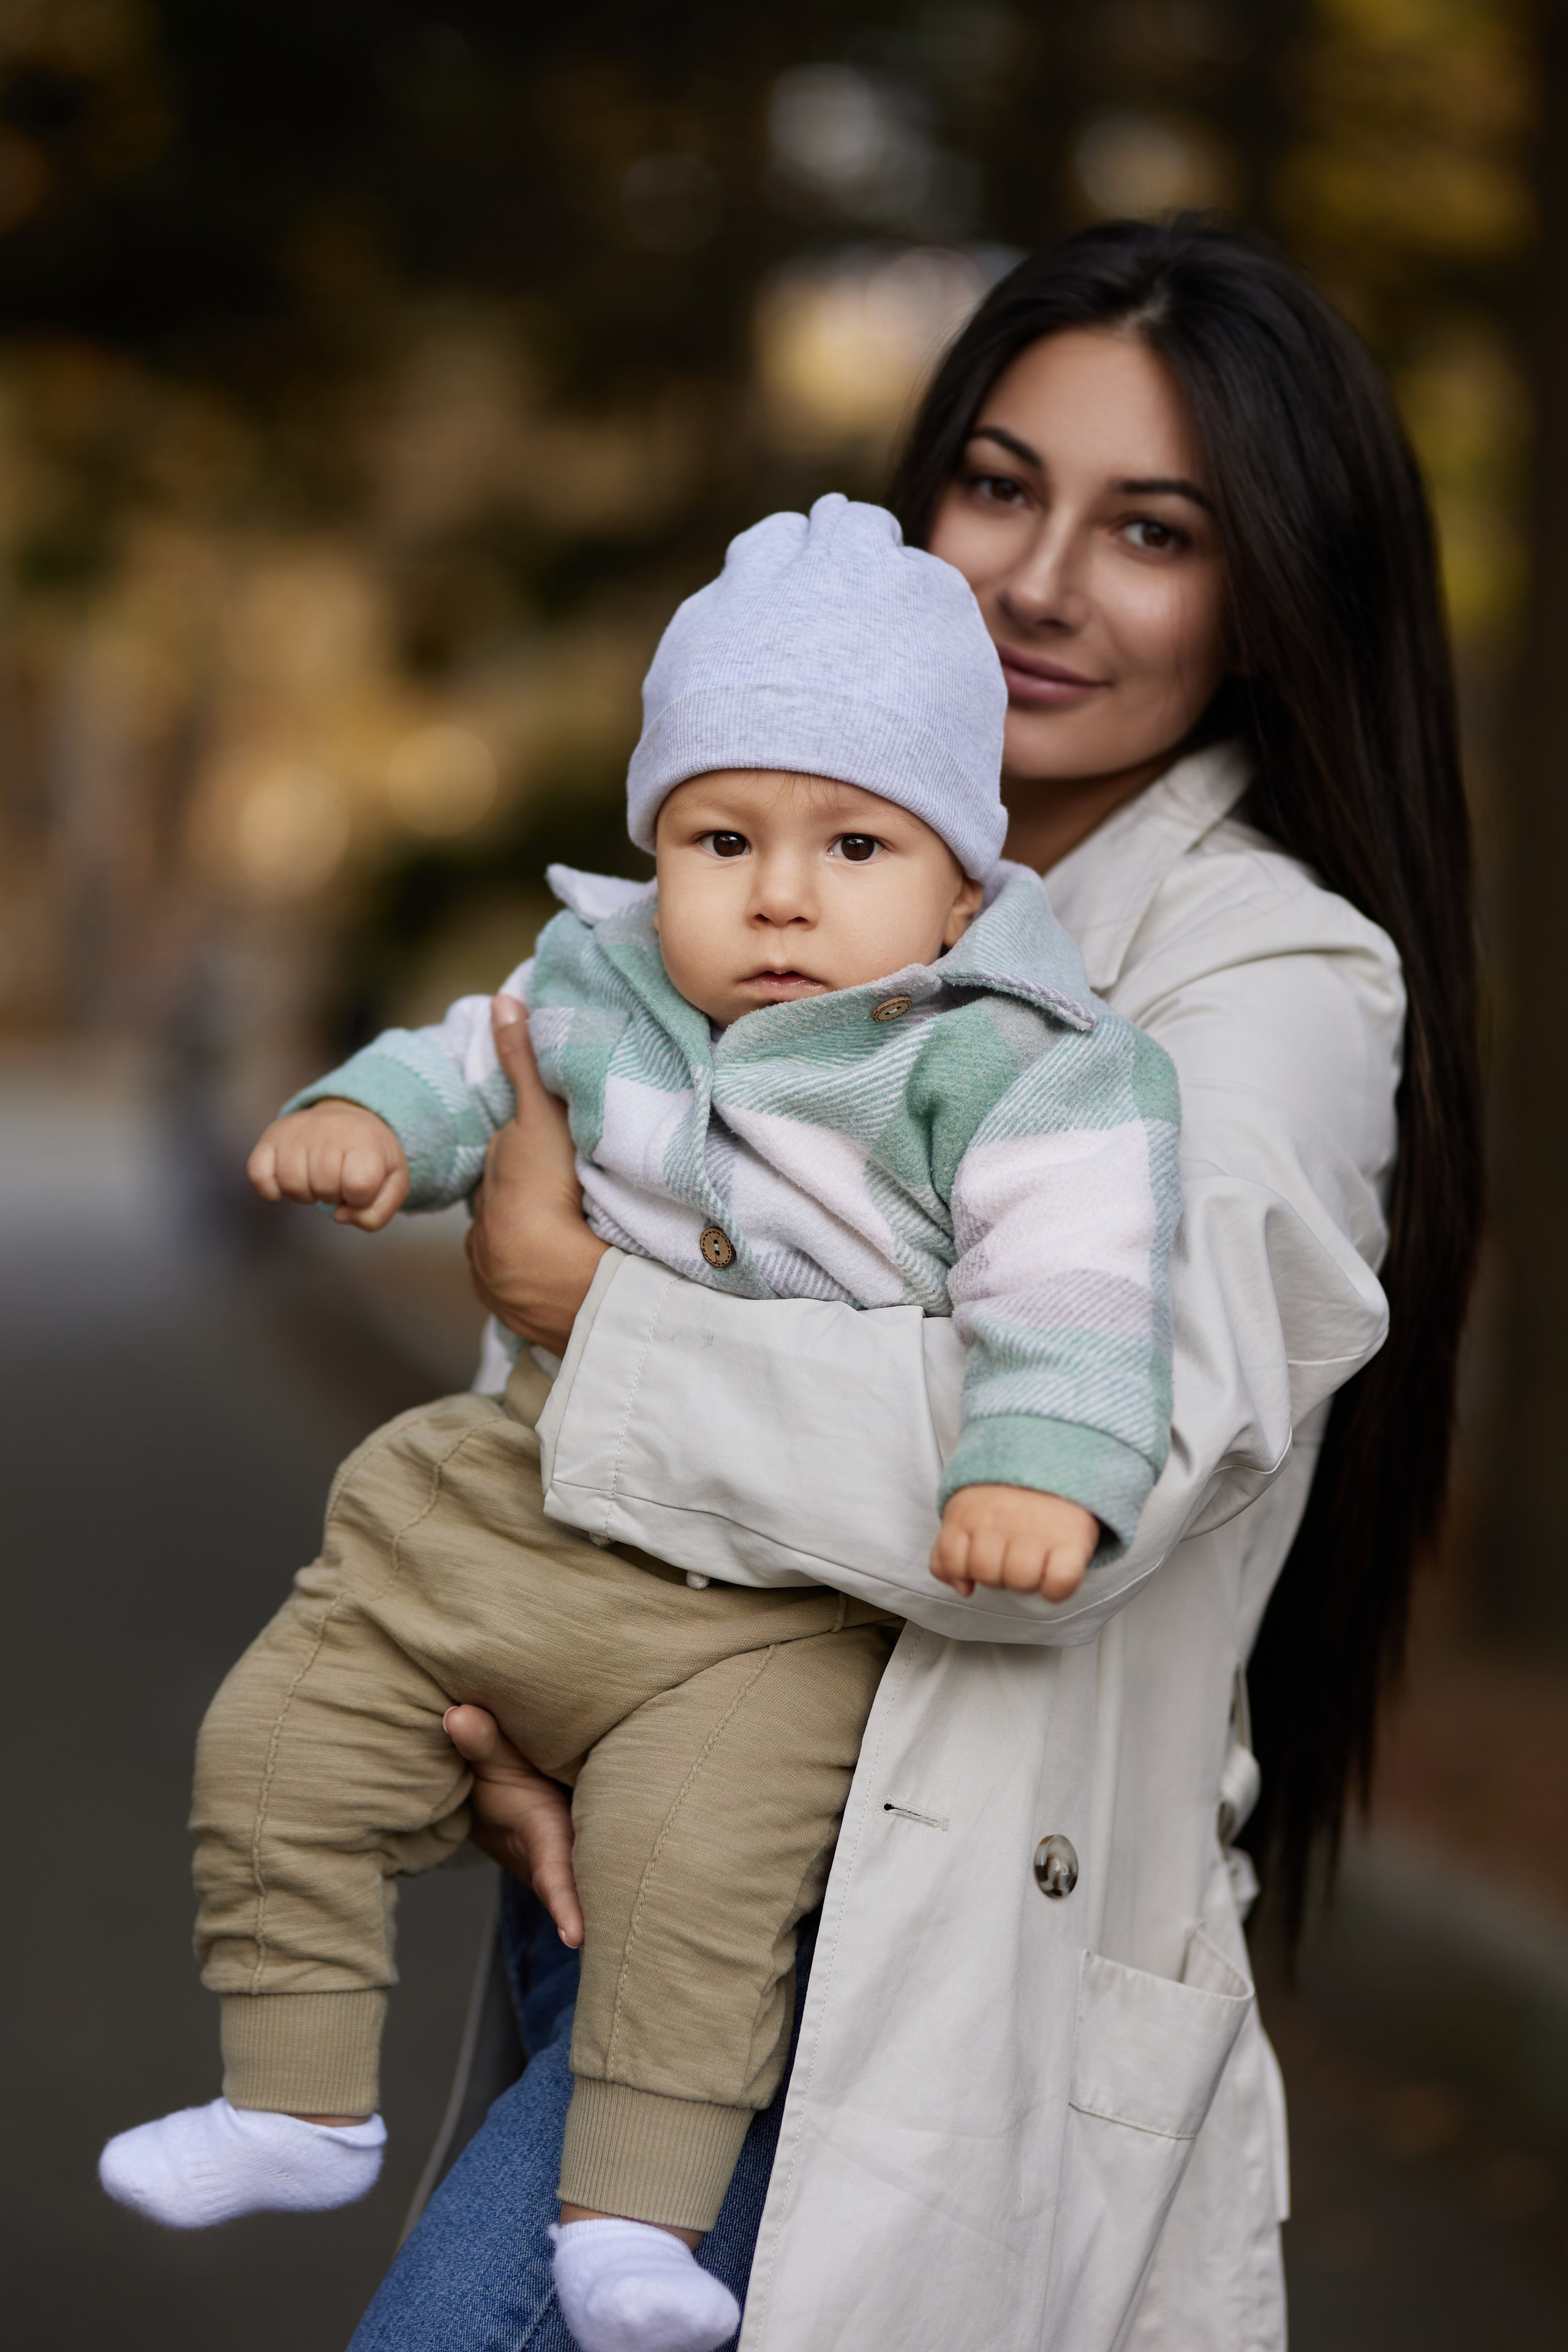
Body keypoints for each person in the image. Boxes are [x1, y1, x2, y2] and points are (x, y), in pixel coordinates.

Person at [345, 217, 1480, 2352]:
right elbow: (563, 1381)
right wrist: (504, 1701)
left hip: (906, 1966)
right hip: (616, 1874)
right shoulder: (778, 880)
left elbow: (1081, 1473)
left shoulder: (1275, 981)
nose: (1040, 581)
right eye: (998, 485)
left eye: (1154, 527)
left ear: (1268, 600)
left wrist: (593, 1318)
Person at [99, 498, 1182, 2352]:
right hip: (514, 1511)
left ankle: (627, 2230)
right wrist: (370, 1125)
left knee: (694, 1880)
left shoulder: (1008, 1052)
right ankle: (295, 2099)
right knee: (278, 1736)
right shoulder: (596, 984)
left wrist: (1034, 1459)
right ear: (652, 844)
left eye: (853, 841)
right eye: (719, 837)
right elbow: (460, 1062)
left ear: (959, 877)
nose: (778, 893)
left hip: (760, 1607)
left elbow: (1079, 1285)